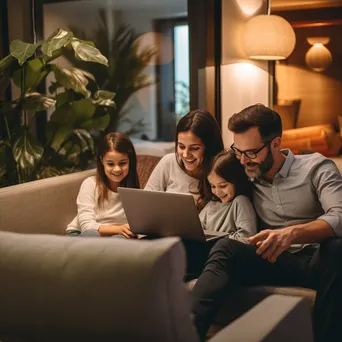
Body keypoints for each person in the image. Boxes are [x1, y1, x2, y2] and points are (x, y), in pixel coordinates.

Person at [191, 103, 342, 342]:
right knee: (224, 247)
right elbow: (207, 168)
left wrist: (291, 234)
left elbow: (340, 216)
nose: (242, 160)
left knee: (337, 247)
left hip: (317, 261)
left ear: (276, 144)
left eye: (251, 152)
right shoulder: (243, 170)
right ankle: (184, 334)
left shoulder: (317, 168)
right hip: (272, 259)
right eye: (238, 151)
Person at [145, 109, 224, 211]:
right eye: (181, 146)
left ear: (210, 147)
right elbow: (146, 204)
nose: (186, 154)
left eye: (194, 148)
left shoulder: (220, 173)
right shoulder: (168, 163)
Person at [66, 132, 140, 238]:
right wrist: (118, 229)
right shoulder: (90, 184)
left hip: (116, 236)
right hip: (82, 234)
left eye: (122, 163)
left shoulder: (134, 191)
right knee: (91, 234)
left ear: (130, 162)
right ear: (102, 161)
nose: (117, 169)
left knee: (120, 240)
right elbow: (87, 226)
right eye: (110, 164)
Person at [199, 149, 257, 242]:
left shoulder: (240, 202)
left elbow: (247, 237)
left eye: (223, 185)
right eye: (213, 186)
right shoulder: (211, 204)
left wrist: (216, 240)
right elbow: (196, 230)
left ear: (236, 181)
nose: (217, 192)